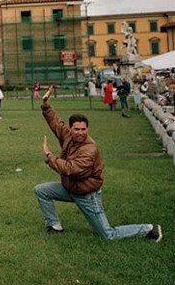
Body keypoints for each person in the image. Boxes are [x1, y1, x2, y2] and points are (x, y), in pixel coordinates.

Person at [34, 86, 162, 241]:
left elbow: (71, 169)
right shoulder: (68, 136)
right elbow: (56, 123)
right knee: (41, 190)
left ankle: (149, 229)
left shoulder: (90, 149)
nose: (80, 132)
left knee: (108, 235)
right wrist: (46, 105)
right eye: (77, 129)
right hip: (71, 188)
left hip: (87, 195)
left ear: (87, 129)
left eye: (83, 129)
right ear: (71, 129)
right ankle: (54, 226)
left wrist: (49, 155)